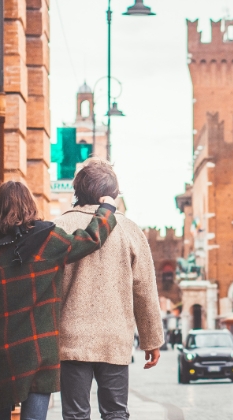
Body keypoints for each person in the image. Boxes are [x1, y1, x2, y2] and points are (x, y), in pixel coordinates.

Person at [0, 181, 118, 420]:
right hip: (38, 351)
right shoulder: (48, 241)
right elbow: (90, 239)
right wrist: (107, 209)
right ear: (30, 206)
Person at [54, 160, 165, 420]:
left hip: (71, 338)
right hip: (114, 337)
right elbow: (144, 289)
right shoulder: (129, 230)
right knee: (115, 413)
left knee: (75, 415)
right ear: (112, 193)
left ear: (78, 190)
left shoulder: (58, 227)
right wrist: (151, 340)